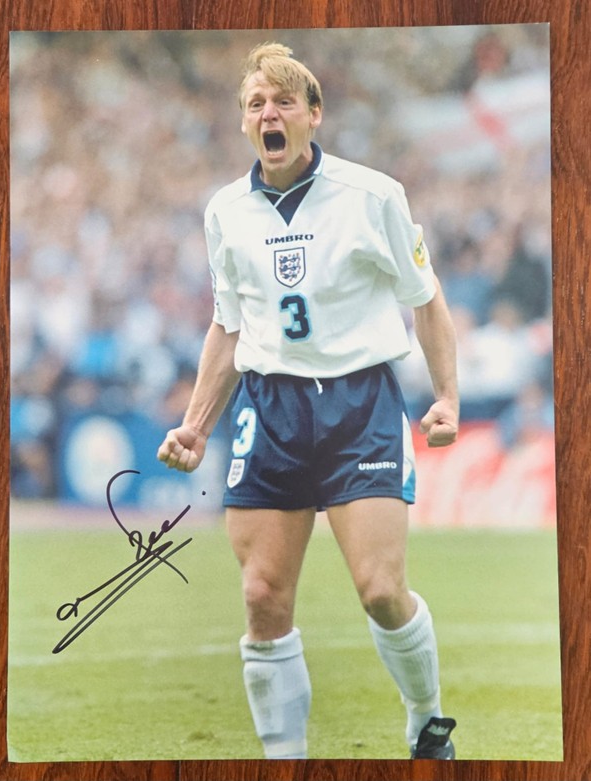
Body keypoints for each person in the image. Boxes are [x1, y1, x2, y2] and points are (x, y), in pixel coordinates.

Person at [157, 42, 459, 761]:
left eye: (284, 102)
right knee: (263, 594)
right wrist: (196, 424)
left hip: (361, 404)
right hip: (271, 408)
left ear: (313, 115)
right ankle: (283, 759)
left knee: (381, 589)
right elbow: (229, 325)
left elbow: (426, 299)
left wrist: (446, 394)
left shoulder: (372, 195)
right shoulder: (225, 211)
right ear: (243, 123)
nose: (270, 113)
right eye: (256, 103)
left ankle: (426, 719)